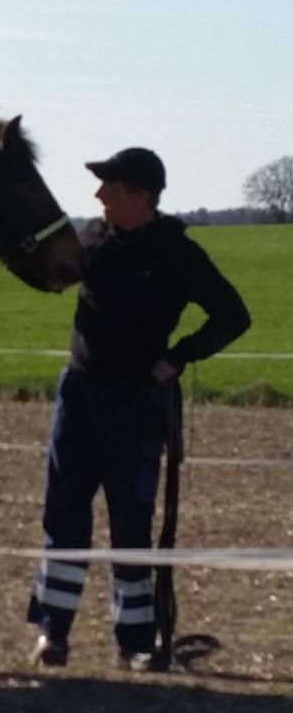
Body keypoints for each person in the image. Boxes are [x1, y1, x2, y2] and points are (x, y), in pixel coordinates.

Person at [27, 146, 251, 672]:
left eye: (111, 187)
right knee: (64, 516)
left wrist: (177, 358)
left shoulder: (178, 252)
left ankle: (135, 643)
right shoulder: (92, 236)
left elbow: (232, 315)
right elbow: (51, 275)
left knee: (132, 524)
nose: (99, 195)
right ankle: (52, 633)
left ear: (141, 197)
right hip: (78, 397)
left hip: (136, 404)